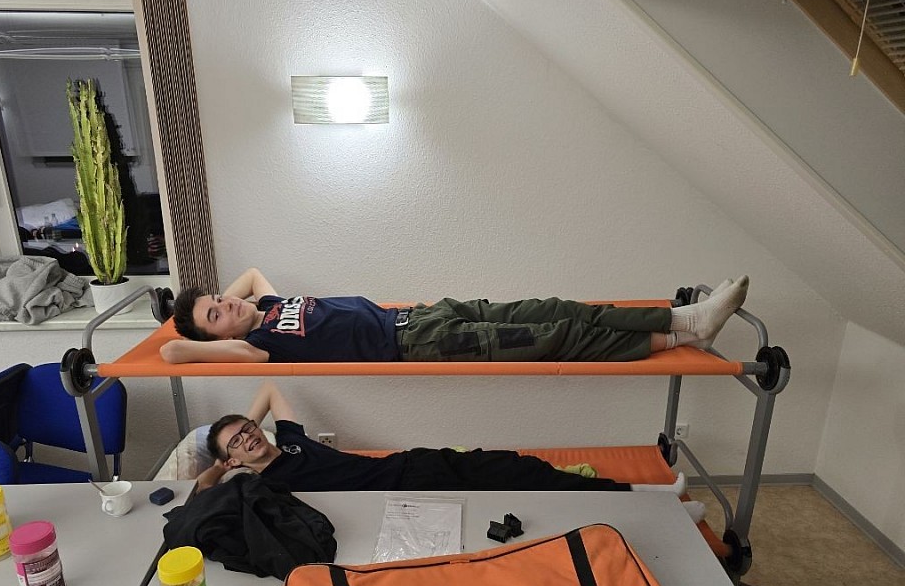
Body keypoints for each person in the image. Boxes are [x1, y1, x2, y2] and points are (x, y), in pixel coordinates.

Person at [194, 381, 706, 522]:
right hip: (411, 494)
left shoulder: (291, 441)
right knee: (533, 489)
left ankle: (649, 495)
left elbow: (271, 388)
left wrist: (242, 431)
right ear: (232, 460)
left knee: (521, 468)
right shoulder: (266, 485)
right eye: (237, 441)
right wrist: (220, 464)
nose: (248, 436)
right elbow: (197, 496)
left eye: (248, 428)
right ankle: (657, 505)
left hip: (416, 464)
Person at [160, 268, 748, 365]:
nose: (228, 303)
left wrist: (219, 307)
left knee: (558, 308)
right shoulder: (260, 349)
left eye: (219, 297)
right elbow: (171, 350)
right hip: (420, 346)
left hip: (424, 316)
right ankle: (686, 335)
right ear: (216, 337)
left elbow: (251, 275)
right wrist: (193, 330)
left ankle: (684, 316)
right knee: (557, 336)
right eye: (217, 313)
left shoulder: (267, 306)